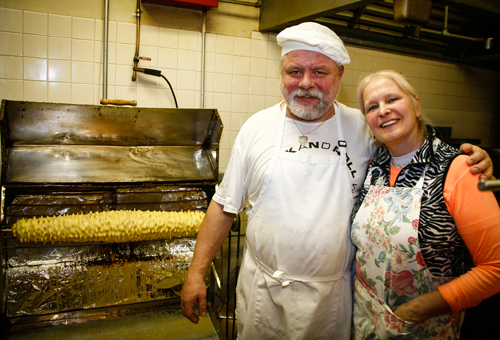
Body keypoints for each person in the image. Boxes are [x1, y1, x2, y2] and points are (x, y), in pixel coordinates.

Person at [181, 22, 492, 339]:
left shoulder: (363, 127)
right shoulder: (256, 128)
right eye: (294, 71)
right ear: (281, 73)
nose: (305, 83)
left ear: (339, 76)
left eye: (319, 72)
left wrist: (469, 159)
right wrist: (196, 273)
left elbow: (411, 152)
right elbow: (224, 206)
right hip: (265, 291)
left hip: (334, 299)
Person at [350, 70, 500, 339]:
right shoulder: (374, 166)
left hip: (423, 326)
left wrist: (415, 311)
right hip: (364, 321)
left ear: (416, 105)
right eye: (372, 106)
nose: (383, 111)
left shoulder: (459, 169)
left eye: (392, 99)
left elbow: (496, 267)